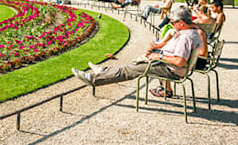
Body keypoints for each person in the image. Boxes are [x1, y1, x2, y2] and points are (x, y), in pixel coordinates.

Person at [73, 6, 202, 91]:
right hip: (170, 66)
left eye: (173, 22)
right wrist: (158, 51)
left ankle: (93, 80)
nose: (171, 25)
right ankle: (103, 70)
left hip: (170, 69)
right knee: (131, 65)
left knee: (129, 70)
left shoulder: (186, 37)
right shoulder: (194, 31)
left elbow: (180, 61)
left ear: (182, 23)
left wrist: (158, 56)